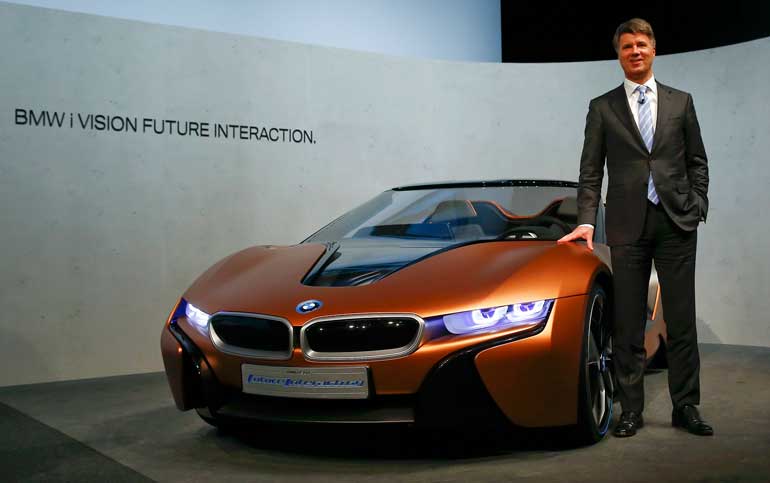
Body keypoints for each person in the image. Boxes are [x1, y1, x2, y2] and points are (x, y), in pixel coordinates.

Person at [558, 18, 713, 437]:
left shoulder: (681, 102)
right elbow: (590, 172)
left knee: (681, 319)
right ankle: (631, 410)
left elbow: (697, 160)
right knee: (627, 322)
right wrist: (587, 222)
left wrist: (697, 203)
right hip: (626, 225)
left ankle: (686, 406)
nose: (635, 51)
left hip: (676, 220)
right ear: (619, 54)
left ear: (654, 49)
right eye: (627, 46)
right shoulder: (602, 107)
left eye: (641, 44)